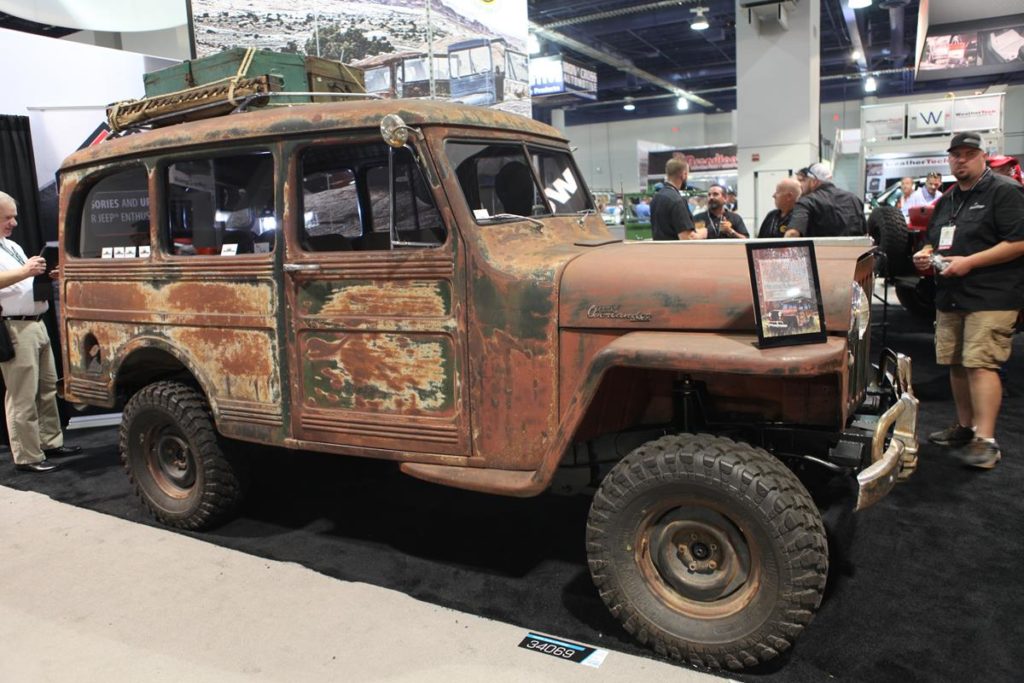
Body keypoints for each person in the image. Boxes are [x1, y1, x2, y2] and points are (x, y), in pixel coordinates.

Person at [911, 132, 1024, 469]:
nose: (960, 160)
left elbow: (1019, 242)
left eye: (968, 154)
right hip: (951, 294)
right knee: (956, 362)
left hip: (991, 295)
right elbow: (936, 242)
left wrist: (971, 262)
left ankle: (986, 441)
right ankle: (965, 427)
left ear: (982, 156)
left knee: (980, 363)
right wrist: (925, 254)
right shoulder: (948, 200)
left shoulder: (1005, 192)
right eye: (955, 155)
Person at [0, 191, 80, 473]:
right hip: (14, 327)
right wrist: (26, 271)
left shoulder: (11, 246)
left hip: (36, 323)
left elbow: (25, 279)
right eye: (8, 217)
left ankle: (50, 443)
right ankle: (28, 456)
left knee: (47, 388)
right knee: (22, 394)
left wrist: (45, 275)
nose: (14, 223)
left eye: (14, 217)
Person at [785, 162, 867, 237]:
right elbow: (865, 233)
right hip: (854, 252)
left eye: (803, 180)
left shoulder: (806, 202)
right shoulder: (854, 199)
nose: (799, 185)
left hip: (820, 252)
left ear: (814, 181)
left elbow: (793, 233)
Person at [650, 159, 706, 240]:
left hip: (659, 250)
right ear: (684, 175)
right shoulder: (677, 200)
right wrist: (703, 233)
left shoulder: (656, 198)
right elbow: (686, 237)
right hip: (675, 251)